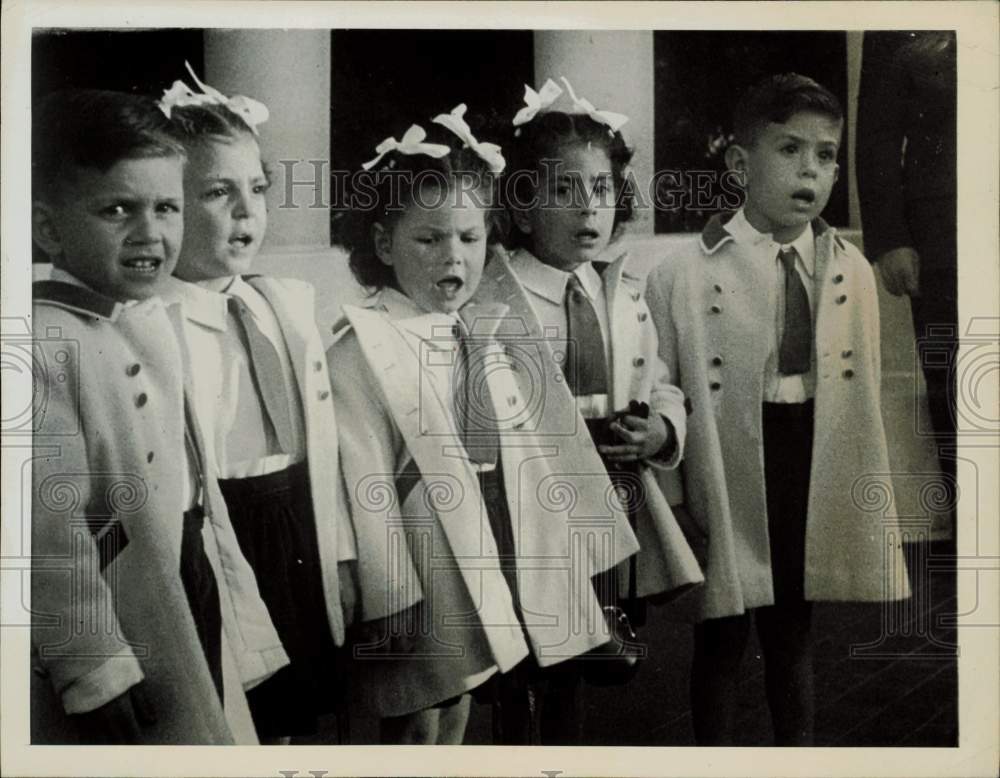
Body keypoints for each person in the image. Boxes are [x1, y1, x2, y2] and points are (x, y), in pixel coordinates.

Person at [328, 108, 640, 744]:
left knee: (466, 701)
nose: (455, 258)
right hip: (419, 558)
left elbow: (518, 447)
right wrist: (391, 598)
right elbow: (364, 483)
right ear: (384, 244)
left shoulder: (477, 327)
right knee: (419, 711)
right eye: (429, 240)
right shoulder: (359, 348)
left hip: (485, 537)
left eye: (470, 239)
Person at [645, 73, 911, 746]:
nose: (811, 171)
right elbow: (663, 388)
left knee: (794, 634)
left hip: (808, 453)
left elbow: (860, 399)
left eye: (825, 155)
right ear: (739, 163)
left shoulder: (849, 268)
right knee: (723, 636)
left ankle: (799, 759)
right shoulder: (683, 272)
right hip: (728, 463)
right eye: (790, 150)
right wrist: (679, 498)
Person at [30, 89, 268, 744]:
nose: (151, 233)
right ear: (49, 229)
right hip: (119, 601)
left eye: (167, 208)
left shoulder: (148, 317)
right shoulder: (45, 342)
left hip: (181, 566)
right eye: (117, 210)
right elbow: (47, 527)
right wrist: (91, 665)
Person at [472, 77, 703, 743]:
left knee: (588, 643)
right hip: (530, 500)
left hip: (609, 492)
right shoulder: (498, 299)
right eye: (563, 191)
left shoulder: (618, 292)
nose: (586, 209)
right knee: (528, 653)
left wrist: (661, 428)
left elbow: (659, 380)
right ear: (520, 208)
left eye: (600, 190)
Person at [157, 66, 355, 743]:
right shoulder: (155, 325)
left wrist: (344, 554)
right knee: (242, 712)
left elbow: (328, 443)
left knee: (304, 708)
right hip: (223, 532)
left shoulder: (283, 303)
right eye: (218, 192)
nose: (247, 212)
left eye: (258, 189)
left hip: (296, 517)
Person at [857, 31, 958, 509]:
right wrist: (891, 236)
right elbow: (876, 130)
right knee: (959, 390)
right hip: (943, 235)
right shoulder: (898, 22)